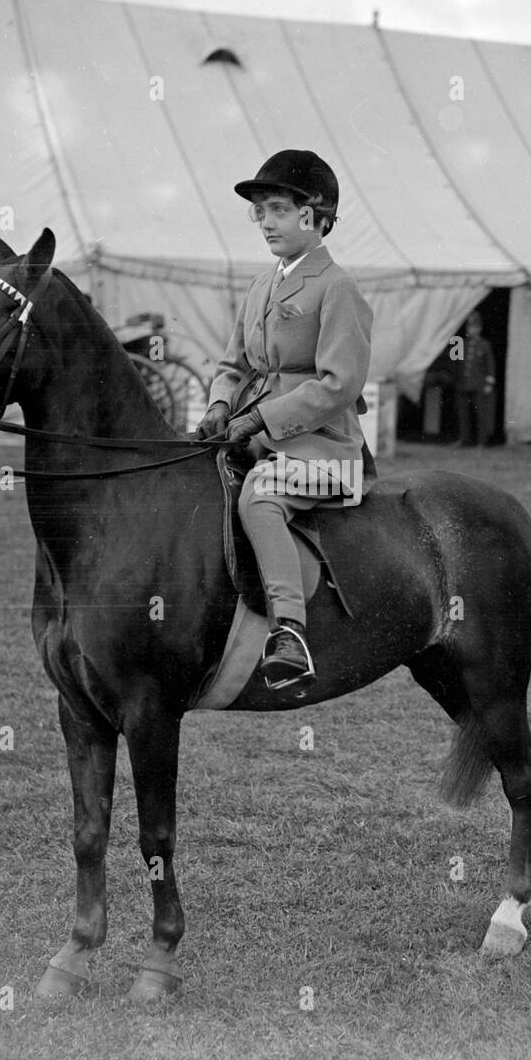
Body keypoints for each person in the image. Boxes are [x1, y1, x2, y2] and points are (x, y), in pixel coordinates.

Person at [196, 150, 373, 691]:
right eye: (259, 213)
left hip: (323, 449)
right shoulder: (260, 285)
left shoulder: (337, 287)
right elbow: (232, 364)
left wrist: (262, 420)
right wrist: (220, 406)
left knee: (259, 497)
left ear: (315, 217)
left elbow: (340, 383)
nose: (264, 222)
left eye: (275, 209)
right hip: (256, 436)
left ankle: (289, 633)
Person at [455, 310, 497, 447]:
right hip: (463, 383)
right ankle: (464, 438)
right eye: (469, 327)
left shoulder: (485, 344)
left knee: (480, 413)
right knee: (463, 414)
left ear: (479, 328)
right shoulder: (460, 343)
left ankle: (481, 441)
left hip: (478, 384)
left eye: (474, 327)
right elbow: (454, 363)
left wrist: (489, 382)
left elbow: (490, 364)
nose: (472, 330)